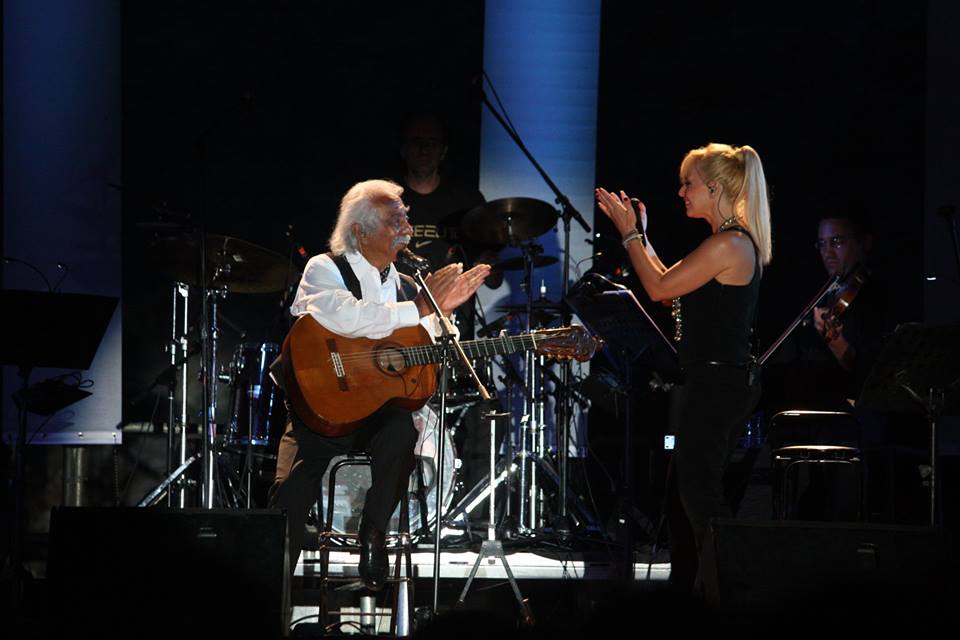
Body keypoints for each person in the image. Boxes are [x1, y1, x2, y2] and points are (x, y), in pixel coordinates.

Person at [269, 179, 490, 590]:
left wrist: (444, 319)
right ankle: (269, 591)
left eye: (406, 216)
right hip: (321, 409)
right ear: (361, 231)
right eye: (395, 219)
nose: (407, 225)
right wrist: (419, 308)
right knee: (291, 495)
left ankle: (373, 533)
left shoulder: (408, 285)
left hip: (375, 414)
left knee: (401, 431)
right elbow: (347, 317)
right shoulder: (325, 268)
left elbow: (430, 342)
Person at [596, 142, 772, 594]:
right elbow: (669, 284)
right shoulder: (724, 242)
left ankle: (728, 594)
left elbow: (658, 288)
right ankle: (694, 594)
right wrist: (641, 237)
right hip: (708, 382)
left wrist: (629, 234)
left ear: (714, 188)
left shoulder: (730, 244)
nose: (680, 192)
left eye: (687, 183)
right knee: (683, 499)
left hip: (717, 384)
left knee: (699, 496)